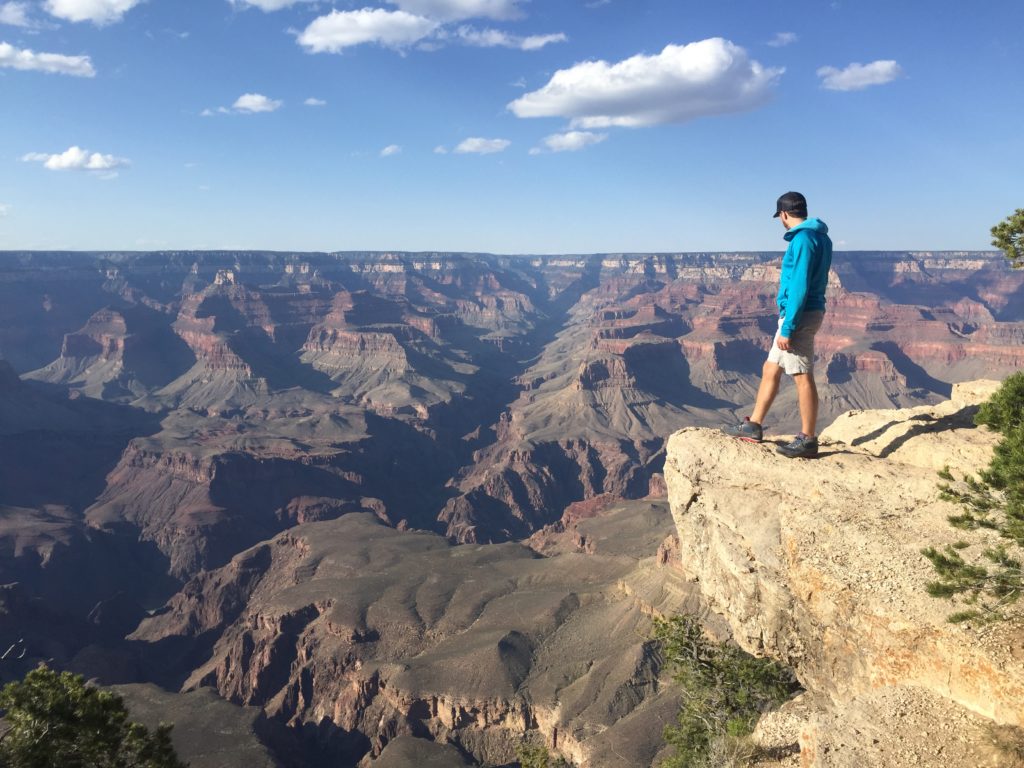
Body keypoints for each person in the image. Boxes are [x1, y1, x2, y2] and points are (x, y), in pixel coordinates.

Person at [723, 191, 833, 458]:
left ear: (784, 214)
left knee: (801, 375)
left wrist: (788, 327)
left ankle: (807, 439)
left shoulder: (804, 240)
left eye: (779, 218)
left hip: (800, 315)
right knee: (771, 367)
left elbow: (799, 286)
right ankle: (754, 425)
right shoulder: (821, 237)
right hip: (801, 313)